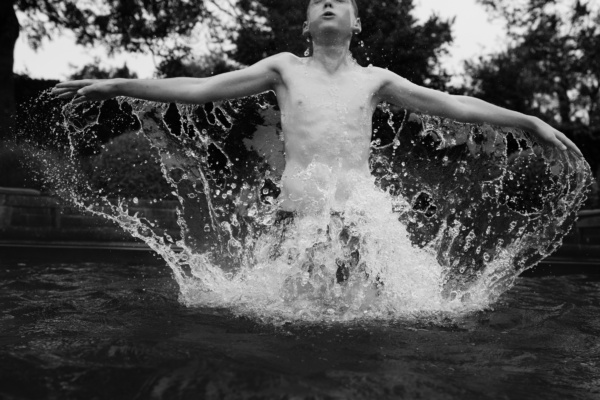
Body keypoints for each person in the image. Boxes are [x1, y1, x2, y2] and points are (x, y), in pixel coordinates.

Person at [52, 0, 583, 282]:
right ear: (306, 23)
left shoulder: (377, 82)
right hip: (296, 212)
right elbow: (198, 89)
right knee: (286, 318)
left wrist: (529, 122)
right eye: (318, 1)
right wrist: (116, 84)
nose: (328, 3)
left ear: (355, 22)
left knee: (373, 320)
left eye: (340, 1)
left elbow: (458, 105)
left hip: (360, 217)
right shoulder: (284, 69)